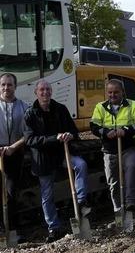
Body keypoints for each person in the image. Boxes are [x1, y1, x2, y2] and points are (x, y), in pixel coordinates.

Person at [23, 79, 91, 243]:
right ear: (36, 93)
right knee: (47, 194)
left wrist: (69, 135)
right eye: (42, 90)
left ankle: (81, 201)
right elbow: (30, 140)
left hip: (62, 154)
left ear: (51, 92)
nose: (45, 92)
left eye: (48, 89)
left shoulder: (60, 109)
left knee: (81, 164)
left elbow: (73, 131)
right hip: (43, 158)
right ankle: (53, 227)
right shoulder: (30, 114)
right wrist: (55, 138)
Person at [90, 79, 135, 214]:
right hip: (110, 149)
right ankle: (117, 207)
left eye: (116, 92)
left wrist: (126, 131)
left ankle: (130, 202)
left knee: (131, 168)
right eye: (110, 92)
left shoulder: (132, 105)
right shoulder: (100, 107)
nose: (113, 95)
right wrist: (105, 132)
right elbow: (94, 126)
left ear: (122, 92)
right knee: (113, 181)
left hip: (128, 147)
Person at [0, 73, 28, 236]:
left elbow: (28, 133)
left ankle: (12, 228)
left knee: (11, 191)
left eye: (9, 85)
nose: (6, 88)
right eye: (3, 84)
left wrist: (13, 147)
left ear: (15, 87)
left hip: (15, 153)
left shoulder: (24, 107)